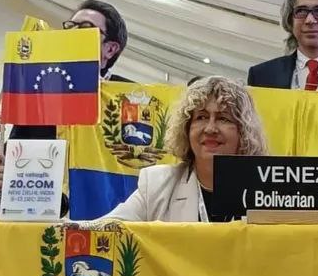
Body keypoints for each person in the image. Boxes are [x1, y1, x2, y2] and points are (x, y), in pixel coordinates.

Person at [0, 0, 130, 206]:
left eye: (85, 28)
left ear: (110, 49)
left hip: (109, 211)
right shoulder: (41, 94)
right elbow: (13, 158)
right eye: (70, 27)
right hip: (43, 210)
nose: (71, 34)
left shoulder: (128, 98)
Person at [98, 76, 267, 223]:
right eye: (201, 117)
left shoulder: (266, 192)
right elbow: (105, 232)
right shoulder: (156, 185)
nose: (210, 129)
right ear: (186, 128)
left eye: (223, 118)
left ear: (243, 131)